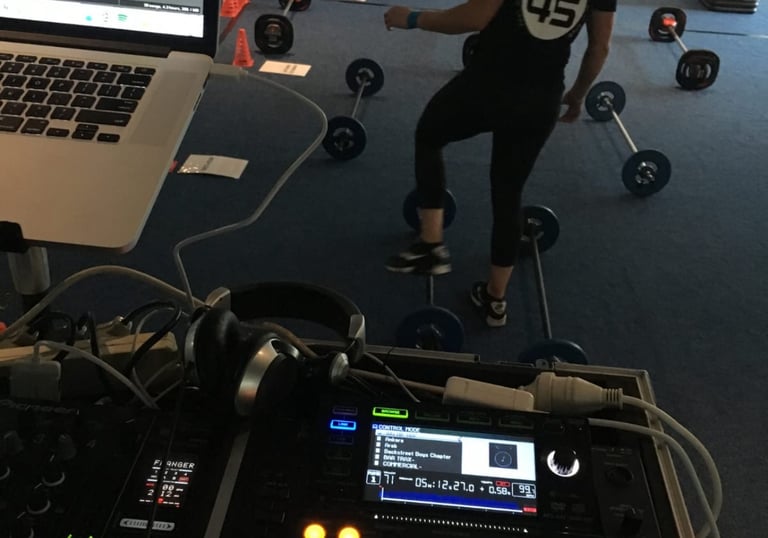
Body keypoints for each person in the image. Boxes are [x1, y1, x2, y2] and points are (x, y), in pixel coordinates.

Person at [384, 0, 616, 327]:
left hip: (487, 85)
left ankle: (431, 246)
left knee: (429, 136)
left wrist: (412, 18)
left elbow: (475, 16)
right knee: (508, 191)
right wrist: (577, 94)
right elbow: (600, 47)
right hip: (542, 99)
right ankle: (495, 300)